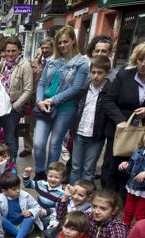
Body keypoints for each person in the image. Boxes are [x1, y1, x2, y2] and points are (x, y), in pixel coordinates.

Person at [101, 39, 145, 194]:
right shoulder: (124, 76)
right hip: (119, 130)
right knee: (112, 167)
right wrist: (121, 121)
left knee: (133, 166)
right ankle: (107, 200)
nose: (143, 64)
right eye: (140, 59)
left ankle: (124, 201)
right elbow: (108, 100)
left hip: (142, 132)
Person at [34, 26, 89, 181]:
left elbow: (76, 88)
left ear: (73, 41)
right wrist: (39, 101)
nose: (63, 45)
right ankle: (39, 173)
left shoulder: (82, 62)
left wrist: (53, 99)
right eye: (60, 42)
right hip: (44, 106)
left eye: (66, 41)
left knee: (54, 144)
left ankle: (51, 176)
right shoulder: (51, 61)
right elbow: (42, 83)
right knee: (38, 144)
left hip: (65, 108)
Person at [69, 56, 113, 183]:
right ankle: (72, 194)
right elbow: (77, 107)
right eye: (93, 72)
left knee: (89, 168)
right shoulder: (84, 88)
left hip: (96, 135)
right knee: (76, 166)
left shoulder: (109, 90)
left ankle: (85, 195)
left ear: (107, 73)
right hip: (80, 131)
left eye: (100, 73)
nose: (96, 76)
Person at [0, 36, 33, 161]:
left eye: (13, 51)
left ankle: (12, 164)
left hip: (11, 108)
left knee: (10, 138)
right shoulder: (0, 65)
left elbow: (28, 90)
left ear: (20, 50)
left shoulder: (25, 66)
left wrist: (15, 106)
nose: (10, 54)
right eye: (8, 51)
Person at [0, 172, 41, 238]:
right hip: (10, 227)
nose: (18, 190)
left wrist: (30, 211)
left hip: (25, 225)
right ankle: (22, 237)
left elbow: (37, 207)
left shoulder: (25, 195)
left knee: (30, 217)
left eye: (18, 187)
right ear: (4, 191)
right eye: (14, 189)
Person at [22, 38, 53, 158]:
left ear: (52, 48)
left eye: (47, 48)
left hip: (50, 99)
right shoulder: (34, 63)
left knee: (45, 126)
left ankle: (43, 150)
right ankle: (28, 148)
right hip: (33, 99)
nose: (44, 50)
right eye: (43, 48)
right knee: (29, 125)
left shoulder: (56, 62)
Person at [23, 162, 66, 228]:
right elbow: (27, 184)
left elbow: (58, 209)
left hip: (49, 214)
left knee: (52, 220)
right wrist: (27, 173)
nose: (52, 179)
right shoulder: (41, 184)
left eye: (56, 177)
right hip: (38, 209)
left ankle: (36, 224)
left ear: (63, 178)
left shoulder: (62, 193)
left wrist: (46, 212)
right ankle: (34, 223)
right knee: (25, 205)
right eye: (50, 176)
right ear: (47, 175)